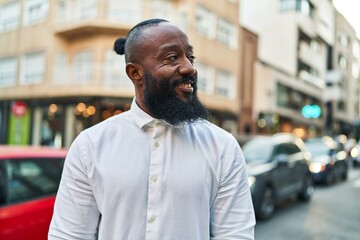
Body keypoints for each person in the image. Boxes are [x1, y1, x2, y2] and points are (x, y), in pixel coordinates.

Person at [48, 18, 255, 239]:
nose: (189, 68)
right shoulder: (89, 146)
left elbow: (235, 235)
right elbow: (69, 235)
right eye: (173, 58)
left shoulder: (222, 147)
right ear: (135, 73)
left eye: (190, 57)